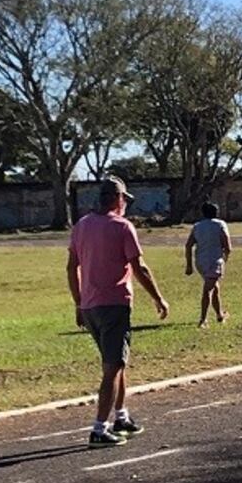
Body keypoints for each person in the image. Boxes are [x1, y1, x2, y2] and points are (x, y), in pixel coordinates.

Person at [67, 177, 169, 448]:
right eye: (124, 199)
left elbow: (71, 267)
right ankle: (99, 428)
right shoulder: (122, 227)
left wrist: (78, 303)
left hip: (90, 306)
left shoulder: (81, 226)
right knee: (113, 367)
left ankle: (121, 416)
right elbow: (139, 267)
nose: (125, 204)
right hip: (114, 304)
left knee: (116, 362)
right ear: (117, 198)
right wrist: (158, 298)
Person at [185, 202, 232, 328]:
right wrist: (224, 259)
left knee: (214, 287)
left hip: (201, 262)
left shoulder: (197, 226)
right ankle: (203, 320)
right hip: (215, 261)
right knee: (208, 290)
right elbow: (228, 246)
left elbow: (188, 245)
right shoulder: (220, 224)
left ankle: (219, 315)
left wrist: (189, 265)